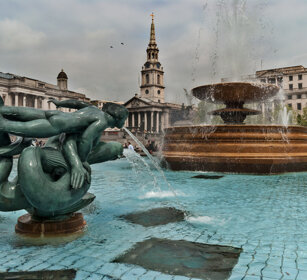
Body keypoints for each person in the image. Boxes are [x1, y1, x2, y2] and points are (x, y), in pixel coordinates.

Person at [0, 98, 128, 189]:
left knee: (11, 111)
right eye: (124, 119)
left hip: (54, 114)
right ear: (118, 118)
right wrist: (81, 161)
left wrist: (60, 103)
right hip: (54, 126)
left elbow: (77, 103)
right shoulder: (102, 121)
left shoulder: (94, 109)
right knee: (6, 125)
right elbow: (86, 139)